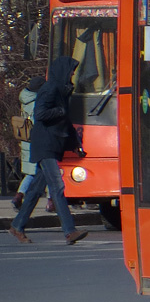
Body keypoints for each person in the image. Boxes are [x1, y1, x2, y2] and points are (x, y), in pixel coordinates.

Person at [7, 56, 89, 245]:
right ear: (62, 71)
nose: (72, 74)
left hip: (53, 144)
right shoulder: (50, 88)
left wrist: (75, 144)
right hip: (45, 145)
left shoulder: (62, 90)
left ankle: (17, 227)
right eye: (71, 71)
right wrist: (60, 111)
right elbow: (40, 114)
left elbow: (66, 121)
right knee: (57, 187)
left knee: (35, 190)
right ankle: (70, 231)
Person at [11, 75, 46, 210]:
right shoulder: (38, 101)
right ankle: (51, 201)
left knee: (31, 173)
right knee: (49, 170)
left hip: (26, 142)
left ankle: (19, 195)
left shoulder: (25, 99)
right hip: (37, 140)